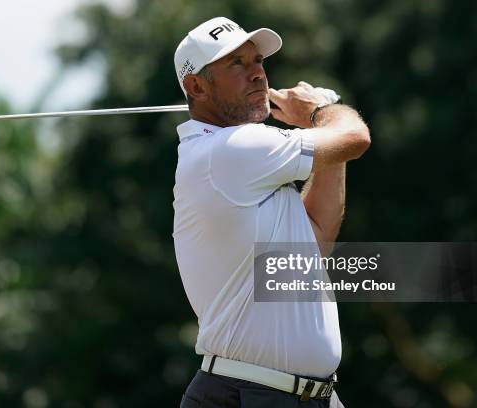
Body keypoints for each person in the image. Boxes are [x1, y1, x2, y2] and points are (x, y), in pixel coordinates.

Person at [172, 16, 370, 407]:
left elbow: (316, 239)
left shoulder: (237, 160)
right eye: (236, 64)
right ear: (196, 86)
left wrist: (323, 132)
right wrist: (322, 113)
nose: (258, 74)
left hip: (292, 395)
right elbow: (355, 137)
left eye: (258, 60)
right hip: (251, 393)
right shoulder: (231, 149)